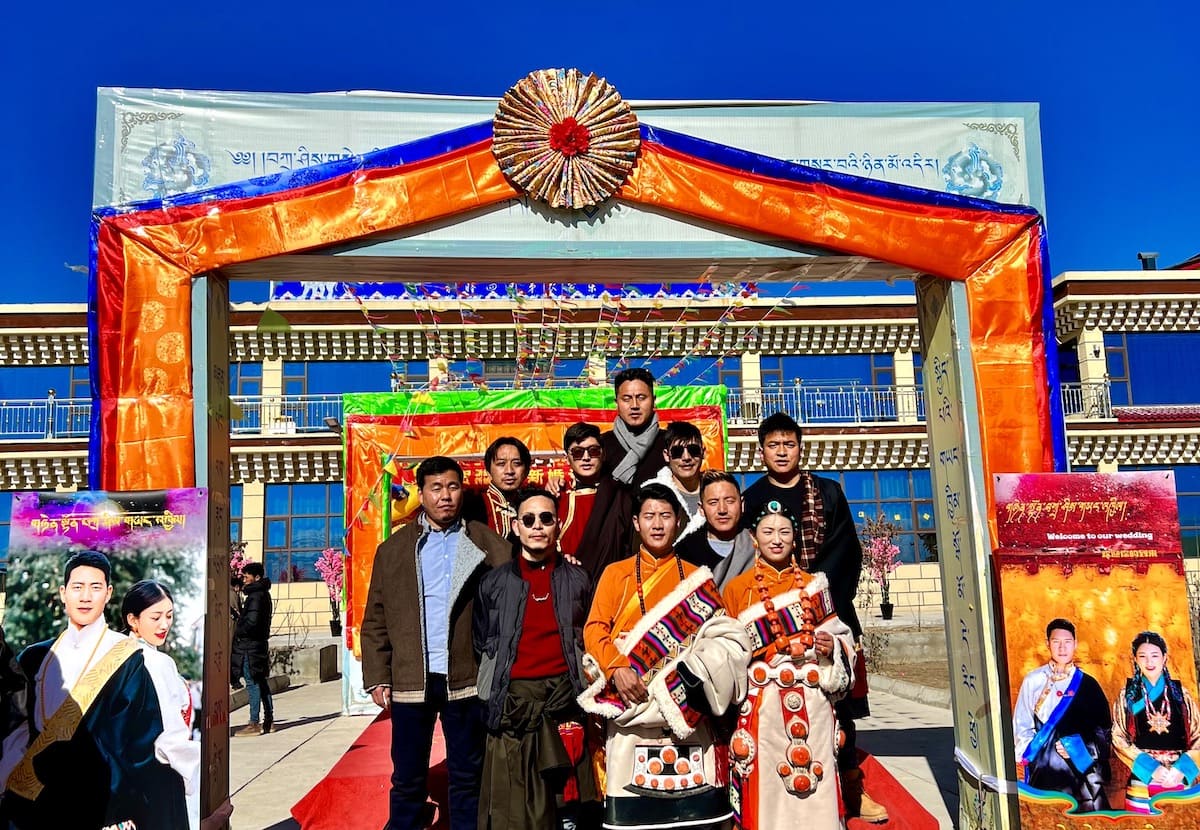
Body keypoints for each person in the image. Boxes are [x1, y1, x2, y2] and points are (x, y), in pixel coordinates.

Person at [580, 483, 751, 830]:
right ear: (635, 523)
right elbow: (594, 629)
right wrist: (618, 669)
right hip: (632, 703)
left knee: (692, 819)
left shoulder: (695, 578)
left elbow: (716, 636)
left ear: (678, 522)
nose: (657, 524)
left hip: (683, 708)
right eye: (649, 516)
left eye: (665, 516)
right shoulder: (616, 574)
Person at [740, 412, 883, 822]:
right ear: (762, 450)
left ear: (800, 448)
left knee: (841, 708)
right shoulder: (750, 499)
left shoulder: (827, 492)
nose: (781, 452)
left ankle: (851, 786)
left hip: (824, 612)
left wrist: (816, 603)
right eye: (773, 445)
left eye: (789, 444)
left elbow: (846, 553)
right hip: (769, 618)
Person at [361, 455, 511, 830]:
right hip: (413, 679)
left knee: (467, 776)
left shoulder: (488, 544)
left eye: (453, 486)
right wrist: (378, 675)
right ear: (421, 493)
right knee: (408, 776)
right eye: (436, 488)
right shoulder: (394, 551)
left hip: (467, 677)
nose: (446, 496)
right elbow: (376, 617)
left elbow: (512, 606)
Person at [3, 551, 189, 830]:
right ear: (63, 593)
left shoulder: (126, 657)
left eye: (96, 587)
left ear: (108, 593)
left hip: (99, 804)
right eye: (77, 587)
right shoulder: (33, 657)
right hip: (31, 804)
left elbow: (136, 743)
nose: (86, 597)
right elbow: (12, 726)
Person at [722, 499, 855, 829]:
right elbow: (723, 650)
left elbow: (844, 640)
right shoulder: (737, 590)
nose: (776, 539)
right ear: (754, 538)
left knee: (817, 790)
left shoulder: (813, 586)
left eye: (784, 531)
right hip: (763, 706)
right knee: (767, 792)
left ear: (795, 539)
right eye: (768, 531)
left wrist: (832, 648)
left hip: (814, 703)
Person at [474, 488, 595, 830]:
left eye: (546, 518)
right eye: (528, 519)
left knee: (567, 811)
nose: (537, 526)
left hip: (564, 702)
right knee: (514, 811)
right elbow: (482, 641)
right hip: (513, 705)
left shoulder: (578, 579)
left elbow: (587, 636)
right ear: (516, 526)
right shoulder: (494, 583)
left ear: (557, 525)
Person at [574, 368, 668, 582]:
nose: (634, 405)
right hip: (610, 554)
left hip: (657, 550)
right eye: (627, 398)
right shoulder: (602, 446)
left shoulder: (668, 444)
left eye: (641, 397)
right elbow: (583, 488)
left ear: (653, 400)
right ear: (617, 402)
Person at [123, 579, 201, 830]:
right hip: (158, 779)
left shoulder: (114, 655)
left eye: (169, 615)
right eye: (155, 617)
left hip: (126, 781)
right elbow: (169, 737)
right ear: (133, 620)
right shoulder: (156, 663)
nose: (164, 624)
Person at [1012, 618, 1111, 812]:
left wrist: (1082, 748)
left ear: (1075, 644)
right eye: (1056, 642)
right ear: (1048, 644)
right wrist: (1035, 754)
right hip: (1044, 768)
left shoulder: (1089, 685)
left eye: (1067, 642)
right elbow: (1021, 724)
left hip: (1081, 769)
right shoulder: (1034, 680)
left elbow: (1104, 730)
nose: (1062, 647)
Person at [1111, 631, 1200, 813]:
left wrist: (1182, 769)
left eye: (1155, 656)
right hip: (1143, 777)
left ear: (1164, 658)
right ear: (1135, 659)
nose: (1149, 662)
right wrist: (1151, 768)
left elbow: (1198, 735)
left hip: (1179, 775)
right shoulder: (1128, 696)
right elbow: (1118, 738)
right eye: (1142, 656)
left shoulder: (1181, 694)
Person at [677, 471, 757, 590]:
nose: (722, 509)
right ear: (701, 509)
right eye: (713, 503)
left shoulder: (758, 545)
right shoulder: (685, 551)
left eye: (729, 501)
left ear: (742, 504)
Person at [232, 561, 274, 736]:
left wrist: (239, 629)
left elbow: (252, 622)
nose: (244, 579)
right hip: (258, 644)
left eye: (247, 576)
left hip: (251, 646)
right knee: (261, 681)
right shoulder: (262, 594)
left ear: (257, 577)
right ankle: (269, 721)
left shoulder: (256, 596)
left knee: (252, 682)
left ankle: (254, 722)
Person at [647, 422, 706, 540]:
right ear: (666, 455)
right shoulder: (651, 494)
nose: (686, 457)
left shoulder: (718, 491)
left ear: (703, 452)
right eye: (677, 452)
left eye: (693, 450)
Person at [465, 436, 532, 537]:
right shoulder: (473, 505)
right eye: (501, 464)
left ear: (527, 471)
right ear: (488, 471)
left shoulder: (531, 503)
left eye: (517, 463)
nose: (509, 471)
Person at [557, 422, 604, 560]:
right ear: (567, 458)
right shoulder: (558, 494)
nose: (586, 458)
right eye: (578, 452)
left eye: (593, 451)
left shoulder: (616, 494)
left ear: (603, 453)